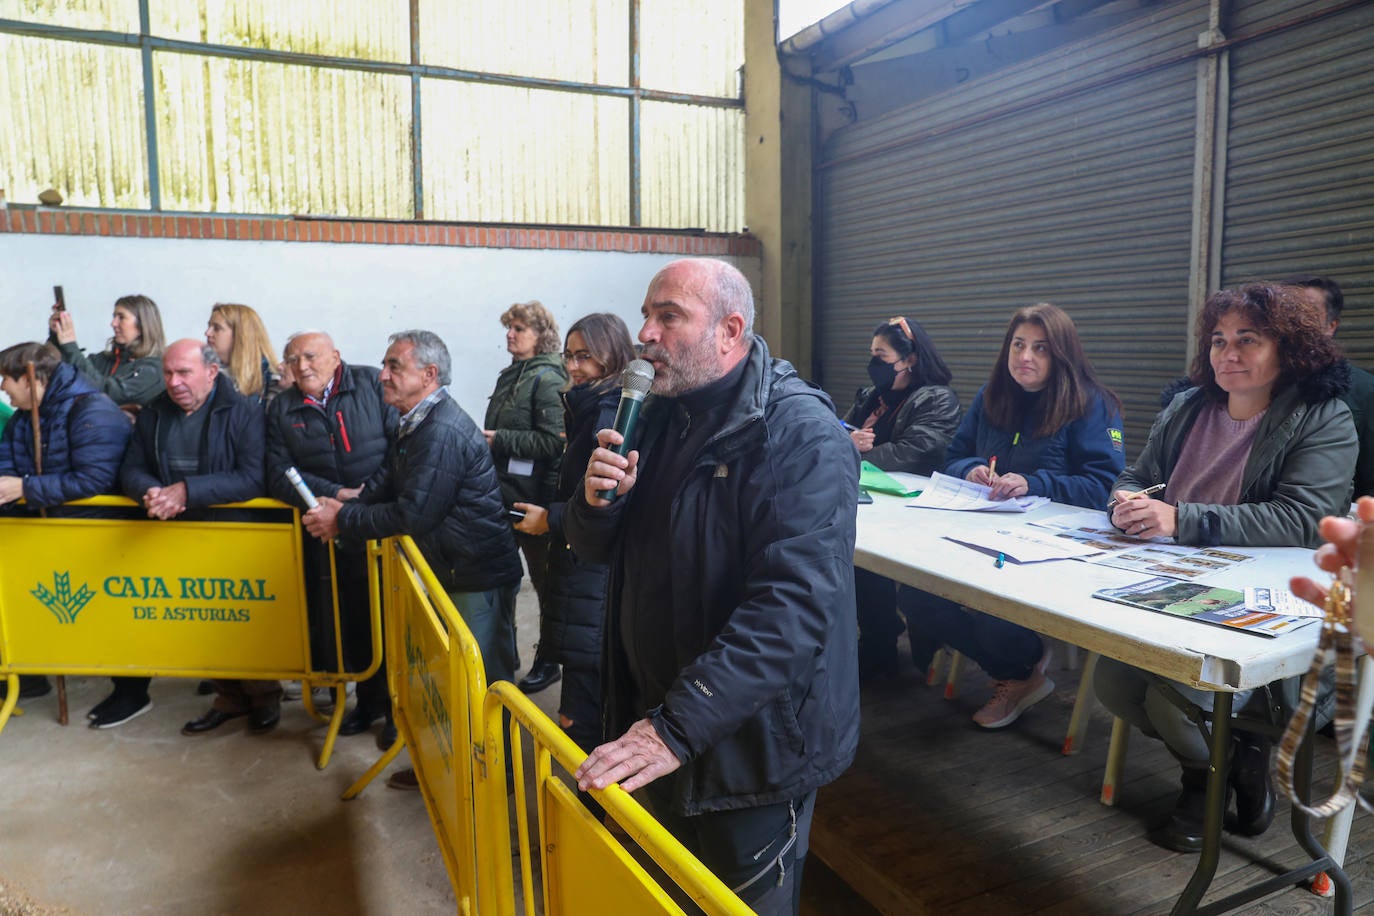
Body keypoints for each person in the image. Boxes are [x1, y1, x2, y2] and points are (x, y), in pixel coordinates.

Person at [568, 259, 860, 915]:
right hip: (657, 716)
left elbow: (789, 614)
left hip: (749, 756)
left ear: (729, 331)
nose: (645, 333)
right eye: (647, 314)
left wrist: (673, 729)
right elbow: (589, 551)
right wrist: (596, 504)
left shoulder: (799, 435)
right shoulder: (654, 412)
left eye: (668, 316)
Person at [1094, 283, 1356, 853]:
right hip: (1163, 579)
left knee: (1175, 692)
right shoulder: (1187, 406)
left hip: (1261, 597)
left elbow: (1305, 517)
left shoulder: (1322, 416)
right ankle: (1238, 759)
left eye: (1247, 340)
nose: (1226, 354)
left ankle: (1200, 783)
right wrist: (1126, 504)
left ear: (1288, 348)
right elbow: (1137, 475)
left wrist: (1180, 519)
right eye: (1218, 340)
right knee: (1112, 682)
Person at [302, 330, 524, 786]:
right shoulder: (417, 419)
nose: (382, 375)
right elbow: (390, 478)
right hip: (455, 570)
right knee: (457, 683)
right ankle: (459, 774)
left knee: (485, 686)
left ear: (428, 375)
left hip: (476, 576)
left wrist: (343, 520)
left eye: (394, 367)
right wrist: (351, 506)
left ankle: (494, 785)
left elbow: (413, 513)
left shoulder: (440, 429)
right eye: (385, 365)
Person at [900, 302, 1125, 728]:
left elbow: (1105, 486)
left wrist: (1033, 482)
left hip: (1052, 544)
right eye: (1019, 345)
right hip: (978, 529)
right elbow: (953, 456)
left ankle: (1017, 669)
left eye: (1041, 349)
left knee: (988, 606)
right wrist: (970, 469)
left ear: (1062, 355)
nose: (1026, 357)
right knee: (916, 594)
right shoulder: (991, 398)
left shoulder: (1091, 404)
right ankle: (1019, 669)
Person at [116, 340, 271, 733]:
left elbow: (253, 477)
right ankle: (228, 697)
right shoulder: (154, 412)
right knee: (201, 624)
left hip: (233, 538)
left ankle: (263, 695)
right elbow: (131, 468)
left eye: (184, 373)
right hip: (177, 538)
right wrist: (148, 491)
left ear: (211, 372)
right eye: (168, 373)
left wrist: (186, 491)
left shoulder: (244, 411)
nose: (174, 382)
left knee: (242, 623)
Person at [510, 313, 636, 752]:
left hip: (594, 573)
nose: (575, 366)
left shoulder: (611, 412)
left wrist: (552, 519)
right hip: (578, 564)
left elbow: (609, 505)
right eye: (570, 355)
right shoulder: (586, 403)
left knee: (583, 713)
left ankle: (593, 813)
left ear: (614, 355)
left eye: (586, 356)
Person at [267, 331, 398, 747]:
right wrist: (339, 497)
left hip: (380, 526)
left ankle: (398, 710)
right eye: (293, 358)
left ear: (336, 357)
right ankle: (369, 701)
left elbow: (399, 448)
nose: (302, 365)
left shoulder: (373, 383)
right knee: (351, 623)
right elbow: (277, 471)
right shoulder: (282, 408)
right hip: (327, 534)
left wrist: (362, 501)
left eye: (311, 355)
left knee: (393, 624)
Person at [0, 342, 132, 701]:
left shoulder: (91, 410)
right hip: (44, 530)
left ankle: (131, 690)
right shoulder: (24, 418)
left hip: (95, 534)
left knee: (108, 617)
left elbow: (96, 480)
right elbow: (7, 467)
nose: (2, 388)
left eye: (5, 379)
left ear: (31, 379)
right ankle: (27, 673)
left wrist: (26, 487)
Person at [842, 316, 962, 679]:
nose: (873, 363)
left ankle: (894, 645)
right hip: (874, 502)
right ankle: (878, 640)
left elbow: (912, 452)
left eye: (881, 355)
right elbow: (837, 433)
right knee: (854, 553)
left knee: (870, 558)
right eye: (872, 354)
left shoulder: (937, 399)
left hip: (916, 508)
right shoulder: (871, 396)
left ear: (909, 359)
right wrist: (845, 443)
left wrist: (851, 453)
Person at [483, 301, 568, 695]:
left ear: (540, 334)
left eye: (519, 328)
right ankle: (505, 656)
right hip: (505, 493)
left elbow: (554, 441)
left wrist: (500, 440)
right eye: (509, 327)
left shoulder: (547, 378)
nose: (510, 334)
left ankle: (549, 660)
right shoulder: (511, 375)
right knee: (503, 577)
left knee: (545, 582)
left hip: (534, 498)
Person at [1287, 276, 1374, 499]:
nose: (1296, 319)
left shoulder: (1364, 390)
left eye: (1308, 311)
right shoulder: (1256, 382)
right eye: (1288, 310)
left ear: (1331, 326)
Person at [48, 294, 166, 410]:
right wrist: (57, 336)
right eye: (114, 317)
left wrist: (70, 344)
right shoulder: (102, 360)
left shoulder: (154, 370)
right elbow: (63, 375)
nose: (113, 323)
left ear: (142, 325)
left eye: (121, 317)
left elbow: (107, 394)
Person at [205, 303, 281, 406]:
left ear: (240, 335)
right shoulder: (203, 373)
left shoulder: (272, 379)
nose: (207, 333)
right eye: (209, 326)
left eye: (217, 328)